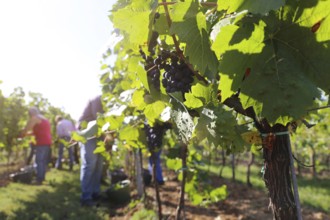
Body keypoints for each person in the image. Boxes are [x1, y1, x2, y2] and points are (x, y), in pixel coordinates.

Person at [77, 95, 105, 207]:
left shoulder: (110, 102)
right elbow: (99, 118)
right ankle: (86, 197)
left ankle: (95, 192)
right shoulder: (97, 99)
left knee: (98, 165)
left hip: (99, 134)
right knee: (90, 163)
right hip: (88, 133)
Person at [21, 107, 52, 185]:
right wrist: (27, 134)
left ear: (31, 114)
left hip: (41, 142)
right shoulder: (44, 119)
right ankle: (42, 177)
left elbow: (27, 128)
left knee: (39, 161)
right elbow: (38, 131)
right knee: (42, 161)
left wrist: (22, 133)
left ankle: (39, 180)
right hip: (47, 142)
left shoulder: (35, 118)